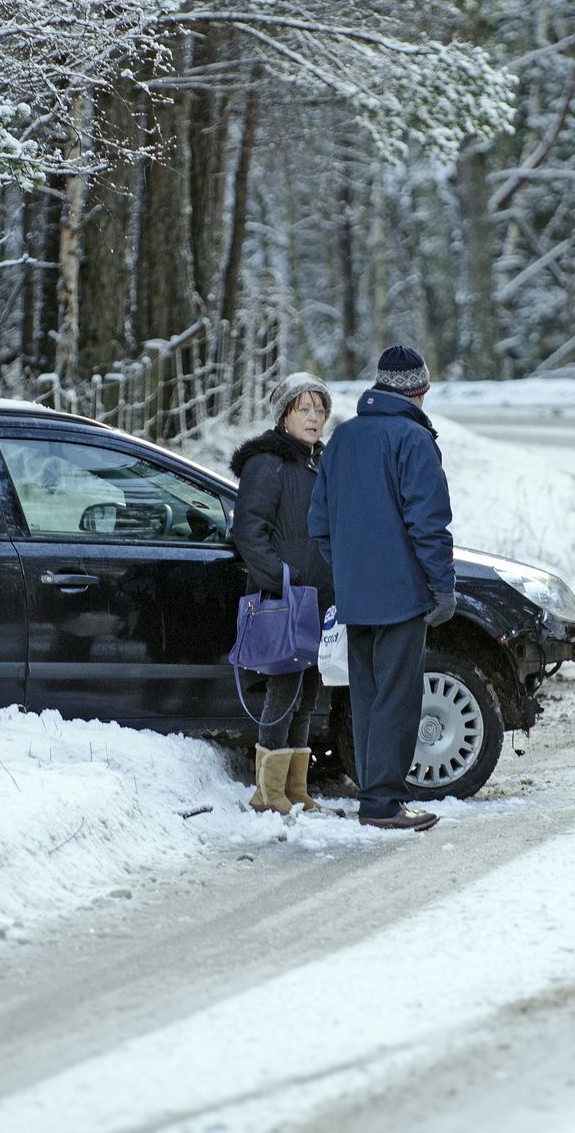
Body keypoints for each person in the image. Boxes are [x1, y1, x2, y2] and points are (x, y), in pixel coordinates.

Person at [309, 345, 456, 832]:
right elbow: (428, 524)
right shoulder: (412, 439)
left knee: (368, 699)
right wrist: (442, 586)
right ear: (420, 390)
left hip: (357, 599)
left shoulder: (343, 438)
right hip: (402, 597)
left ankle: (374, 796)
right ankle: (383, 803)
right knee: (398, 698)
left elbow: (319, 525)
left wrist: (351, 572)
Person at [229, 371, 337, 814]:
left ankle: (295, 789)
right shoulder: (267, 463)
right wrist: (282, 579)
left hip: (318, 597)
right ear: (284, 416)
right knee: (284, 690)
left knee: (308, 694)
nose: (314, 418)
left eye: (319, 409)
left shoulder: (319, 462)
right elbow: (248, 531)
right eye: (304, 409)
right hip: (286, 599)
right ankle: (267, 793)